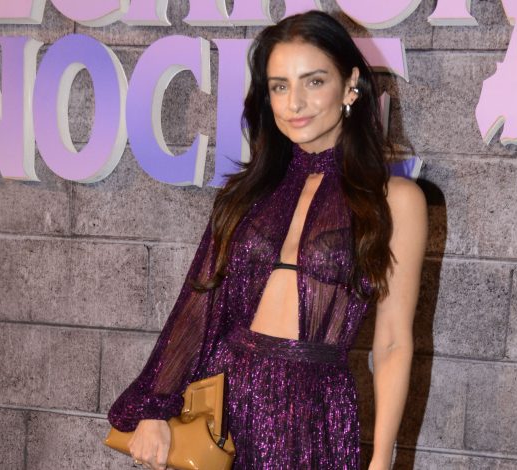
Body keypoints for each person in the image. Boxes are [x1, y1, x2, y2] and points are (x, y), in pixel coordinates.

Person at [108, 10, 428, 470]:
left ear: (350, 86)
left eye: (313, 81)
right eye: (280, 86)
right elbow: (199, 305)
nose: (295, 102)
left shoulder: (396, 200)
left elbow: (394, 342)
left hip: (315, 413)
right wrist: (157, 406)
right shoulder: (246, 194)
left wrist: (381, 458)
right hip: (228, 406)